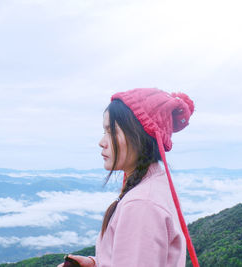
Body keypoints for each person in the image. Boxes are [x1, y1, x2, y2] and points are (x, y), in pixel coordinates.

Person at [58, 88, 199, 267]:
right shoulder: (155, 184)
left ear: (139, 135)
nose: (102, 142)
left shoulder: (141, 204)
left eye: (112, 131)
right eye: (104, 132)